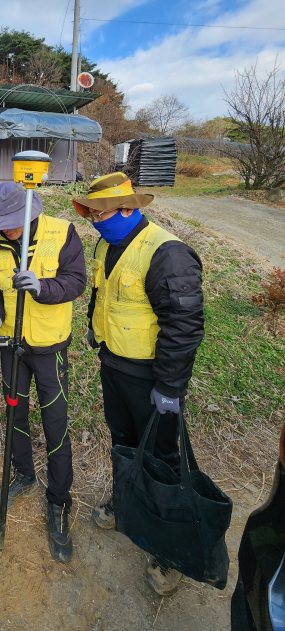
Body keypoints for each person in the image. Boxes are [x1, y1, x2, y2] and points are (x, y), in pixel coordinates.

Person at [72, 172, 205, 596]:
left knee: (162, 456)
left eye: (101, 214)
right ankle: (127, 504)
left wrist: (170, 386)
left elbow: (184, 327)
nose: (95, 221)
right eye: (92, 215)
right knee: (125, 443)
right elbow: (104, 294)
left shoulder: (168, 254)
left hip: (152, 375)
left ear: (129, 209)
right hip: (114, 364)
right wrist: (94, 327)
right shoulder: (108, 244)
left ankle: (170, 548)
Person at [0, 182, 87, 563]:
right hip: (12, 347)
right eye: (0, 224)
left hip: (49, 347)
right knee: (15, 415)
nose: (6, 230)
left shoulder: (62, 233)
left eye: (11, 223)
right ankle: (24, 473)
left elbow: (76, 281)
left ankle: (58, 501)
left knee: (55, 422)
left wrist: (42, 287)